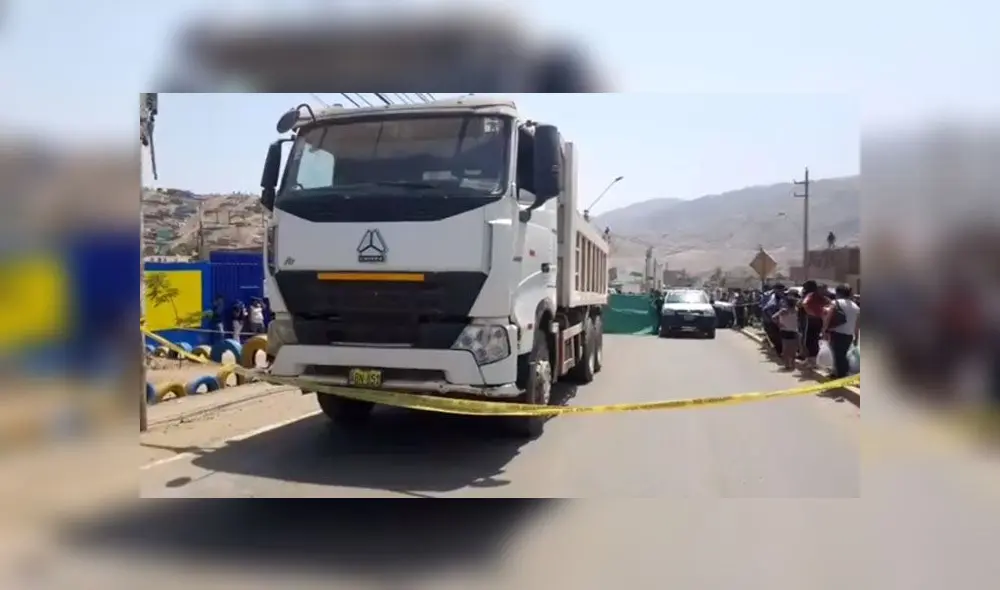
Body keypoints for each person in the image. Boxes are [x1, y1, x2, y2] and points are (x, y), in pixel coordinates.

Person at [823, 284, 861, 378]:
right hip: (849, 335)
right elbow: (857, 324)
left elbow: (828, 317)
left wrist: (824, 330)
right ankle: (839, 373)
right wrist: (856, 337)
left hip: (836, 333)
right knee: (842, 355)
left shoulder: (836, 303)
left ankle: (840, 375)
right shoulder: (856, 307)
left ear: (838, 293)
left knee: (838, 355)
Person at [800, 280, 830, 368]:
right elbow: (804, 304)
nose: (824, 291)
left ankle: (813, 361)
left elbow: (830, 307)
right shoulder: (812, 296)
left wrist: (821, 314)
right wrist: (812, 313)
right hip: (811, 321)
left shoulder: (825, 299)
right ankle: (810, 360)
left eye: (825, 289)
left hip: (819, 321)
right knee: (809, 341)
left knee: (814, 341)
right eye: (822, 289)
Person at [772, 292, 800, 370]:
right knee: (789, 349)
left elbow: (774, 318)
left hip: (792, 330)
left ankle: (790, 364)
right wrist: (779, 324)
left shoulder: (795, 310)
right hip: (788, 331)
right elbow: (774, 317)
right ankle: (789, 364)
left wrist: (779, 324)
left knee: (790, 349)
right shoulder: (785, 311)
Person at [760, 284, 786, 354]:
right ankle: (779, 351)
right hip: (769, 320)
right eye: (780, 290)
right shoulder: (769, 296)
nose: (782, 291)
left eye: (782, 290)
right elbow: (766, 309)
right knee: (774, 336)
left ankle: (780, 350)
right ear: (775, 289)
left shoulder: (783, 296)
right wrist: (773, 319)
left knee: (779, 336)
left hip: (779, 320)